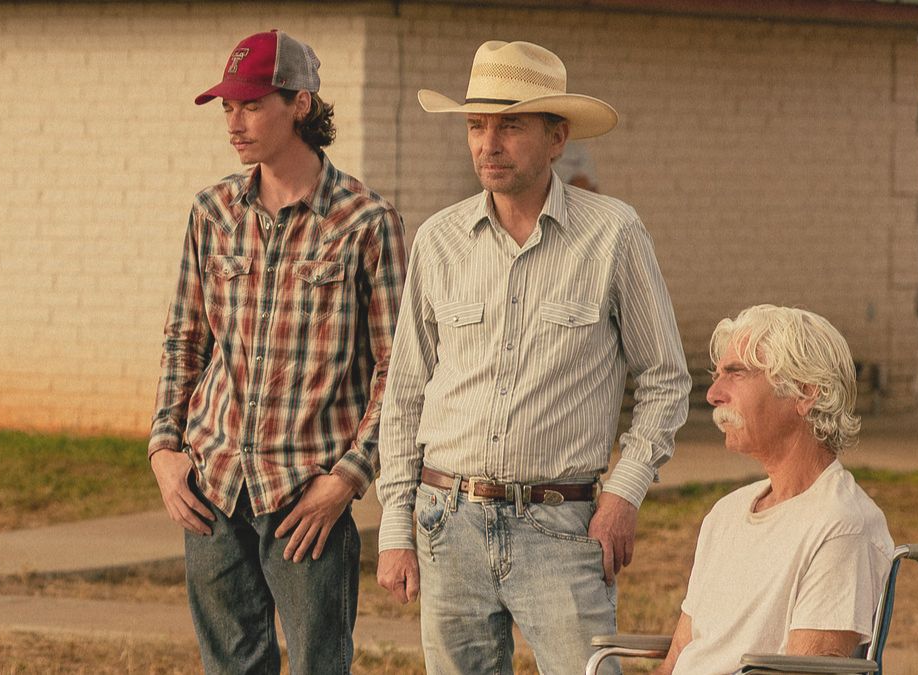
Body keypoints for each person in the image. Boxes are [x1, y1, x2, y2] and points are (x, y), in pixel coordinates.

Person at [375, 40, 691, 674]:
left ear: (557, 137)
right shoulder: (439, 241)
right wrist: (395, 525)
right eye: (476, 125)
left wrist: (622, 496)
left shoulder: (613, 234)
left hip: (563, 525)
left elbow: (665, 380)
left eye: (510, 125)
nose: (488, 143)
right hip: (447, 523)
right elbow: (406, 390)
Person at [146, 29, 406, 674]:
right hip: (212, 485)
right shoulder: (211, 212)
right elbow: (184, 340)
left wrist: (347, 480)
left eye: (252, 104)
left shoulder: (367, 221)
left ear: (302, 103)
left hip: (305, 497)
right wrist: (164, 451)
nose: (234, 122)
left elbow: (398, 373)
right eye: (228, 107)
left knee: (321, 664)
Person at [653, 305, 894, 675]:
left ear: (804, 392)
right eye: (717, 376)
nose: (714, 394)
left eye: (736, 374)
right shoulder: (726, 513)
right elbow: (678, 656)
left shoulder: (843, 526)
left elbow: (805, 671)